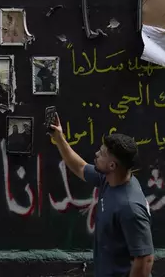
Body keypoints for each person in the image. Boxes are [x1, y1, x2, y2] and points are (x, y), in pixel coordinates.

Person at [47, 116, 155, 277]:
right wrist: (59, 138)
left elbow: (145, 260)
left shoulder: (129, 207)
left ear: (112, 165)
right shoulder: (109, 179)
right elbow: (80, 167)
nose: (97, 153)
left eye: (102, 153)